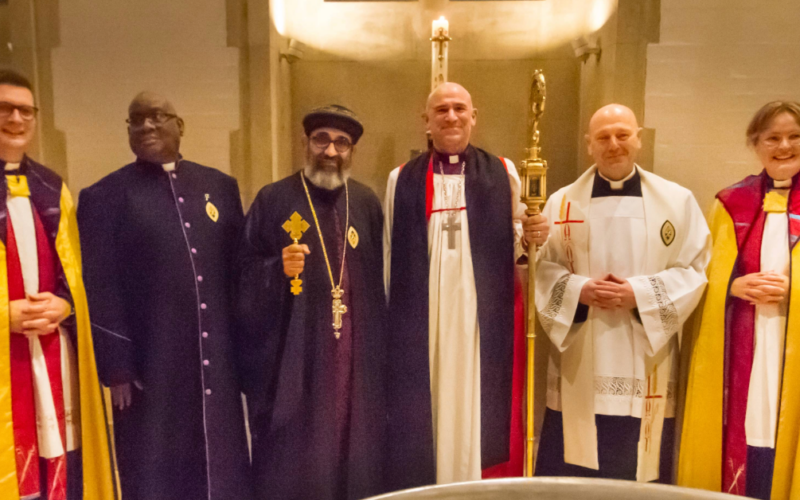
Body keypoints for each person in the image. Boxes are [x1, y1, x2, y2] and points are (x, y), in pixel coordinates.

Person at [78, 91, 252, 500]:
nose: (146, 126)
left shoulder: (220, 187)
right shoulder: (104, 196)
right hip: (151, 362)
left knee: (221, 461)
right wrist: (117, 366)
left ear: (180, 126)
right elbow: (100, 284)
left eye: (156, 116)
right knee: (154, 464)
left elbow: (239, 272)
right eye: (136, 120)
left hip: (216, 360)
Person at [534, 103, 710, 483]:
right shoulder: (562, 202)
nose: (614, 144)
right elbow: (543, 269)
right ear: (589, 145)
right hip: (582, 357)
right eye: (603, 137)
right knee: (575, 480)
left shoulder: (677, 202)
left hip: (645, 358)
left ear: (639, 139)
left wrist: (640, 295)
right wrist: (579, 290)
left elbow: (695, 271)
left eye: (622, 135)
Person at [384, 82, 547, 489]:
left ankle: (478, 488)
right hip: (425, 318)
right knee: (429, 403)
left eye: (460, 108)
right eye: (441, 110)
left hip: (481, 317)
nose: (451, 116)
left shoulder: (504, 172)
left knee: (479, 401)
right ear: (426, 120)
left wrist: (533, 234)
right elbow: (390, 253)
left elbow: (518, 246)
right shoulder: (400, 179)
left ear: (474, 116)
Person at [237, 105, 387, 500]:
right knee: (298, 462)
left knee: (354, 454)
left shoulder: (366, 203)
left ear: (352, 150)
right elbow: (241, 276)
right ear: (305, 143)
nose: (331, 151)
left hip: (355, 361)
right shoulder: (274, 199)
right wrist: (276, 270)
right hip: (296, 362)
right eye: (322, 139)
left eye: (342, 143)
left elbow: (380, 286)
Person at [0, 69, 114, 500]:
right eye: (5, 109)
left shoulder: (52, 187)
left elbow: (76, 274)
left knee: (60, 463)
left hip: (50, 351)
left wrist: (65, 306)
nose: (16, 119)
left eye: (25, 110)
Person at [679, 101, 800, 500]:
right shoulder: (730, 203)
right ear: (755, 144)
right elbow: (701, 274)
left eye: (794, 136)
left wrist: (793, 291)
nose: (784, 146)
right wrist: (732, 286)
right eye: (773, 138)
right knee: (746, 431)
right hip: (744, 348)